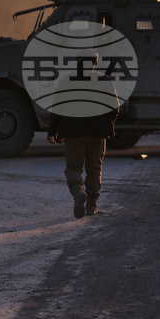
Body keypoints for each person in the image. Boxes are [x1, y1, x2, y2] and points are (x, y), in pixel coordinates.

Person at [46, 51, 119, 219]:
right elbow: (115, 109)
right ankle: (91, 206)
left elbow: (56, 110)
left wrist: (52, 132)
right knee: (94, 169)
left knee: (73, 168)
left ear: (77, 62)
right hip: (97, 135)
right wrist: (104, 124)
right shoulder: (105, 81)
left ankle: (78, 191)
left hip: (73, 135)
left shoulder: (66, 81)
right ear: (95, 62)